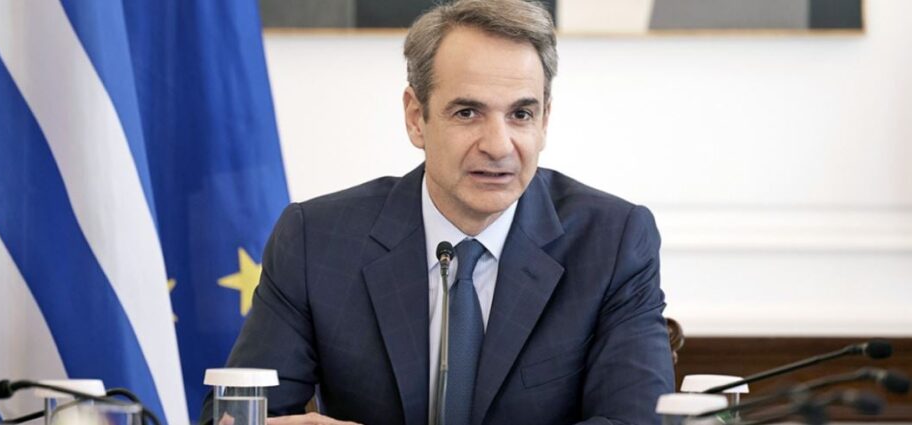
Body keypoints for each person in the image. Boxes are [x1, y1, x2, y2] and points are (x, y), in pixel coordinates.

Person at [202, 1, 674, 424]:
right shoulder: (317, 241)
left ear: (545, 120)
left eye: (521, 115)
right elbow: (236, 416)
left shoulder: (612, 242)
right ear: (416, 117)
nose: (498, 146)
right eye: (468, 113)